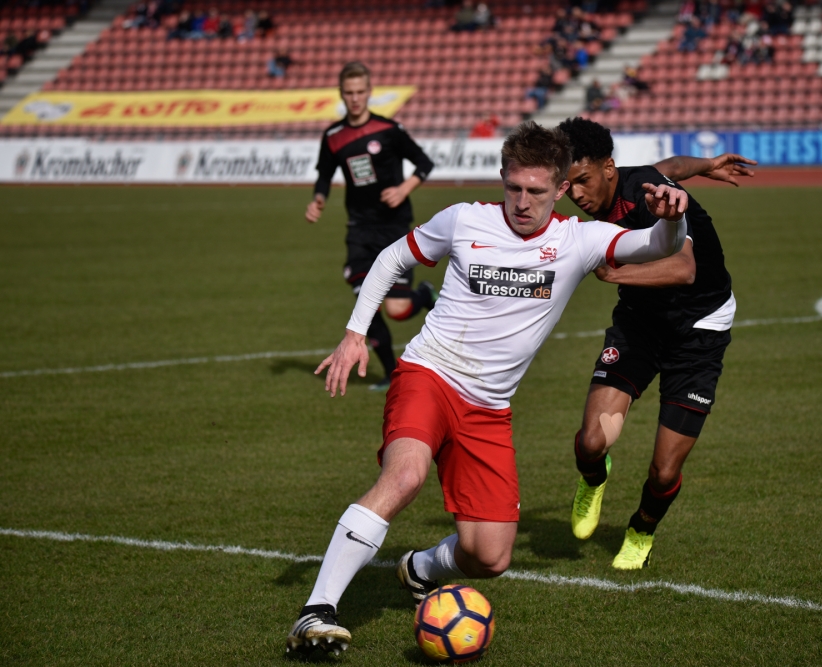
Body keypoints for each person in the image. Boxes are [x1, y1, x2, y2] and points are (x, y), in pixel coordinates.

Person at [285, 121, 690, 657]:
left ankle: (419, 568)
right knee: (404, 476)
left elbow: (657, 244)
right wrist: (355, 333)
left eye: (536, 191)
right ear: (502, 177)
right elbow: (393, 258)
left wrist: (674, 218)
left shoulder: (579, 239)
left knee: (490, 556)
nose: (522, 202)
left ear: (561, 189)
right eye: (513, 187)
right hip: (429, 375)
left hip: (489, 408)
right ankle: (317, 611)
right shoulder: (463, 219)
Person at [557, 117, 750, 570]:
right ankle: (594, 478)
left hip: (700, 330)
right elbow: (670, 166)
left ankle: (641, 531)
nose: (576, 194)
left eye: (582, 180)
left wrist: (614, 274)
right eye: (569, 185)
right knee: (591, 443)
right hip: (640, 323)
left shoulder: (647, 198)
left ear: (607, 168)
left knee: (664, 471)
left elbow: (684, 269)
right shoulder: (626, 181)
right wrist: (707, 164)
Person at [307, 62, 438, 391]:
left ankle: (423, 294)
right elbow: (324, 174)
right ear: (342, 94)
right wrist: (318, 199)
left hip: (393, 227)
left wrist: (403, 189)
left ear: (369, 93)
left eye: (360, 92)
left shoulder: (389, 129)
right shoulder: (333, 136)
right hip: (360, 229)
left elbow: (424, 162)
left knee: (397, 309)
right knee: (365, 302)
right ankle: (391, 374)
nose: (354, 98)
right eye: (349, 93)